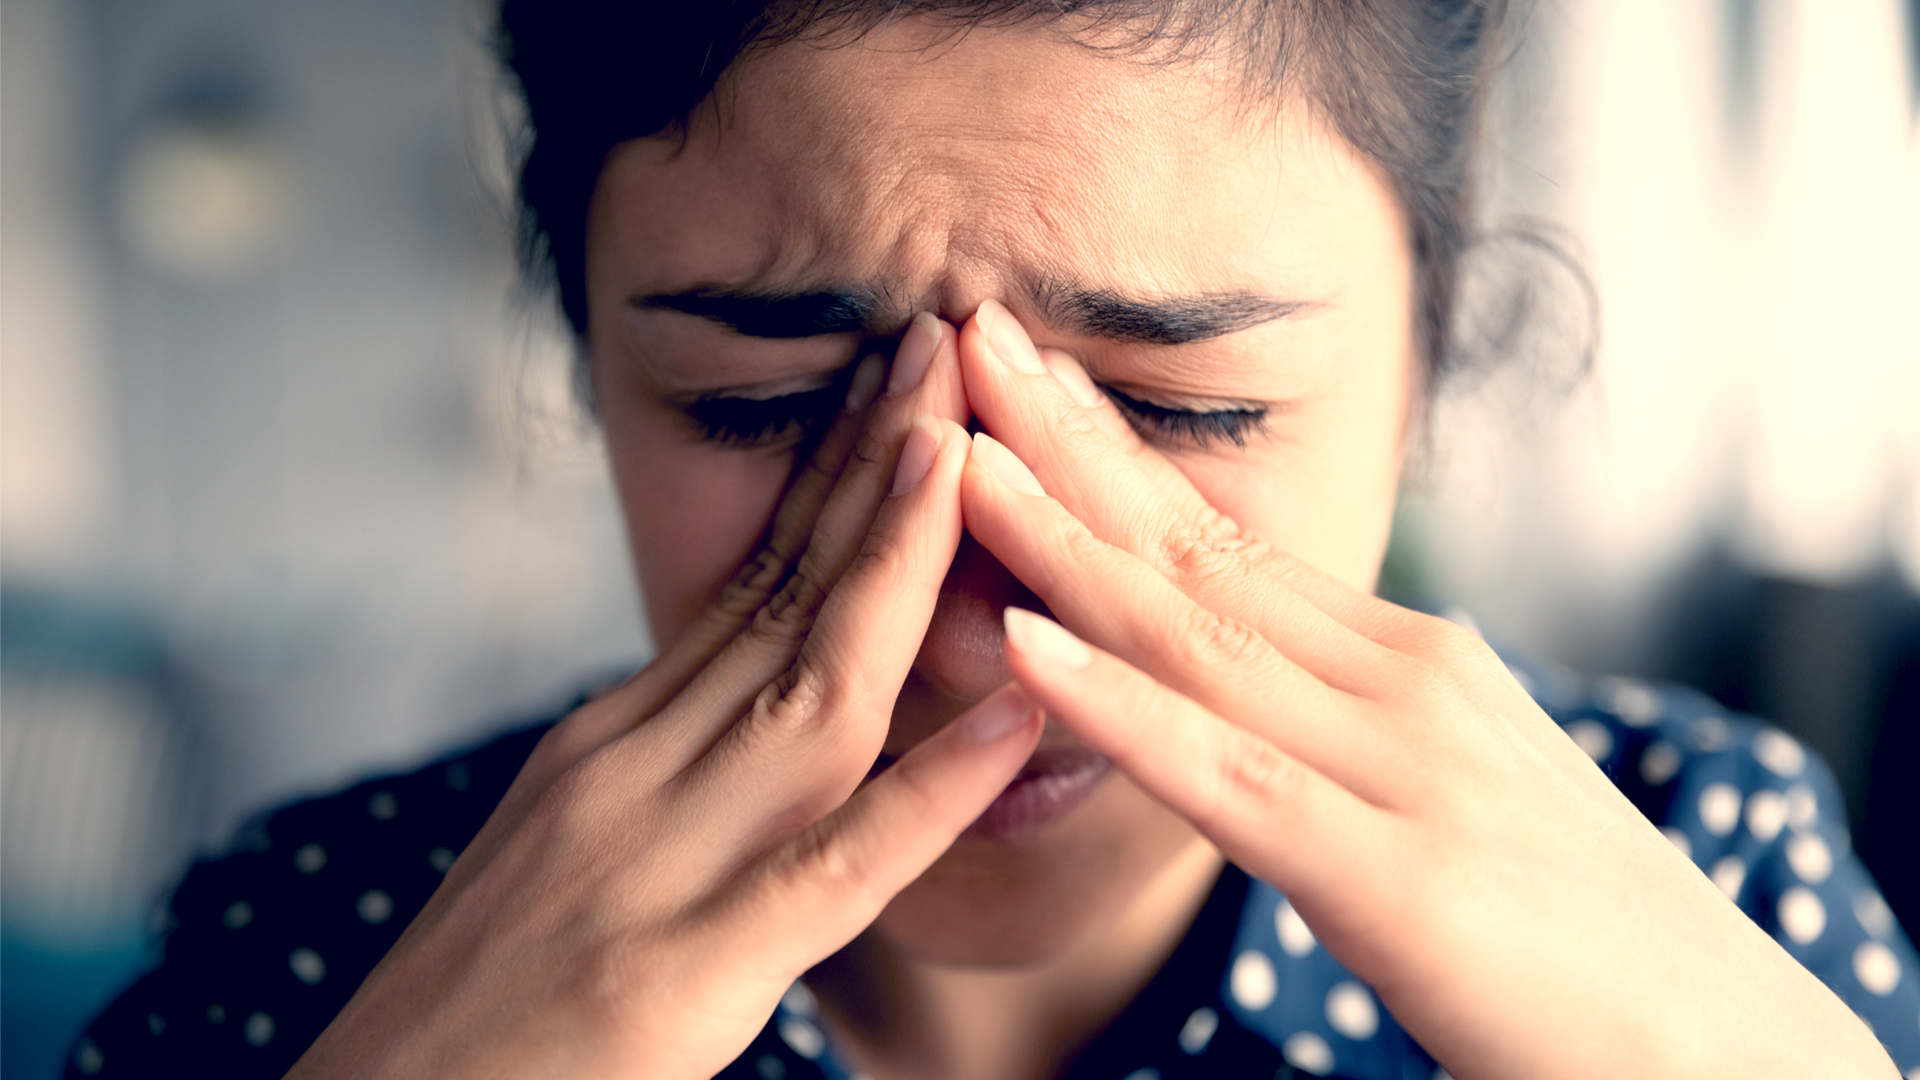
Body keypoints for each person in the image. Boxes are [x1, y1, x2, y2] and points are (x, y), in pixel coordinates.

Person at [68, 2, 1919, 1077]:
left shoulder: (1712, 880)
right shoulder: (322, 952)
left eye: (1184, 413)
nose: (976, 628)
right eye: (767, 408)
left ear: (1428, 355)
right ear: (587, 358)